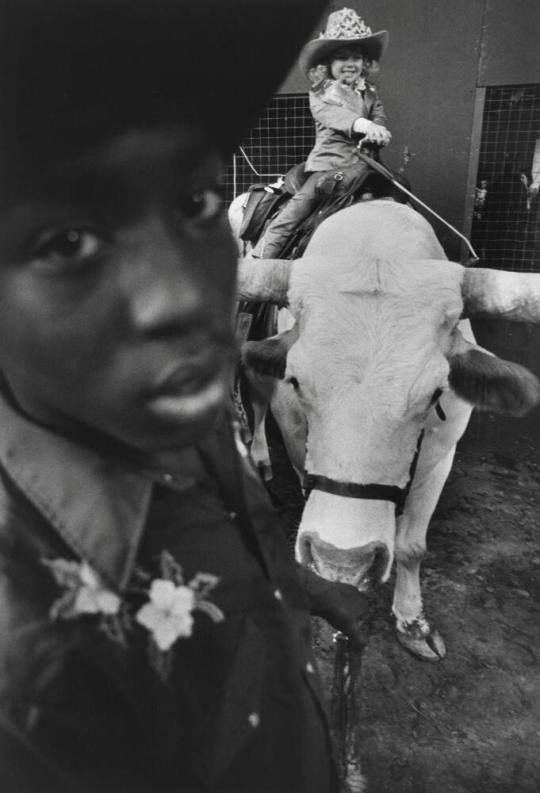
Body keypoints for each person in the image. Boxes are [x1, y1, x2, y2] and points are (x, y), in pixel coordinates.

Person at [0, 1, 371, 792]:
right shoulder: (28, 684)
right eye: (67, 241)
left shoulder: (170, 406)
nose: (181, 296)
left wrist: (292, 586)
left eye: (198, 200)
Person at [254, 7, 392, 259]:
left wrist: (381, 129)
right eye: (342, 58)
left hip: (366, 167)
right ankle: (258, 263)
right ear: (327, 64)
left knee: (399, 194)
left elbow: (379, 117)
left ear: (365, 64)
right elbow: (334, 116)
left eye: (357, 57)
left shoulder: (370, 93)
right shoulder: (321, 92)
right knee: (294, 212)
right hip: (330, 166)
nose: (350, 64)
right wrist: (365, 126)